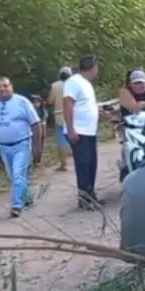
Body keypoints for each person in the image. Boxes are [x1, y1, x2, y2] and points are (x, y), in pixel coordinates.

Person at [0, 77, 42, 217]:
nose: (2, 89)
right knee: (13, 177)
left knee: (18, 174)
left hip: (22, 144)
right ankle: (27, 198)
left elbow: (36, 124)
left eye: (5, 86)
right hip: (3, 147)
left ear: (11, 87)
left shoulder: (22, 102)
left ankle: (16, 206)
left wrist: (38, 146)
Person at [63, 55, 102, 208]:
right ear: (93, 67)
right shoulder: (74, 82)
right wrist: (71, 129)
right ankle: (84, 198)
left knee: (92, 162)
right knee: (83, 164)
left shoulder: (86, 84)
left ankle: (90, 193)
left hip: (89, 130)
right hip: (79, 131)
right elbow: (67, 105)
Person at [47, 67, 73, 171]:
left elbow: (50, 100)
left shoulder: (55, 86)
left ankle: (63, 164)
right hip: (72, 115)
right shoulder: (74, 85)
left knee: (61, 140)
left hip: (59, 115)